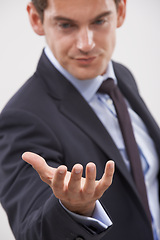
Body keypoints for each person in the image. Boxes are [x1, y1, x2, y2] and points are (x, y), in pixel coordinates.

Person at [0, 0, 159, 239]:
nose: (87, 44)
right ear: (36, 19)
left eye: (99, 21)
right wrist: (74, 209)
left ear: (121, 11)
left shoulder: (120, 76)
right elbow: (32, 230)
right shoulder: (21, 117)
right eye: (66, 25)